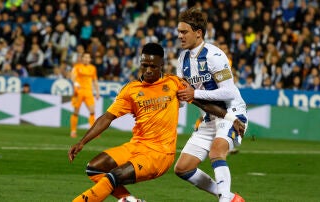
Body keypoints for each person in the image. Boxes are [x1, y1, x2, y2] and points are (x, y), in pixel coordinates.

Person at [68, 43, 245, 202]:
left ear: (162, 66)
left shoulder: (174, 83)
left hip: (160, 154)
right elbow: (107, 117)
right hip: (136, 146)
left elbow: (202, 103)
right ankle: (129, 200)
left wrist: (231, 118)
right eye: (145, 65)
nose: (148, 70)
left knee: (115, 176)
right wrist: (82, 142)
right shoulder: (131, 90)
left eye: (153, 66)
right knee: (94, 169)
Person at [175, 7, 248, 202]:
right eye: (179, 32)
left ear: (198, 33)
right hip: (209, 117)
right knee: (182, 168)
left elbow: (229, 91)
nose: (179, 36)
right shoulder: (182, 59)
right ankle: (230, 197)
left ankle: (224, 200)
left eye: (184, 32)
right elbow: (183, 96)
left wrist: (194, 93)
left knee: (217, 152)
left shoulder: (214, 56)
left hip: (231, 113)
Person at [70, 51, 100, 138]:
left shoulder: (93, 68)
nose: (86, 59)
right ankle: (73, 131)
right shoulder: (77, 67)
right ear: (82, 58)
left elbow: (95, 80)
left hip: (88, 92)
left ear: (90, 59)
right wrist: (75, 83)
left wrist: (97, 92)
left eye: (88, 57)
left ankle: (92, 131)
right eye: (85, 57)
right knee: (76, 112)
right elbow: (72, 76)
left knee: (92, 111)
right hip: (78, 92)